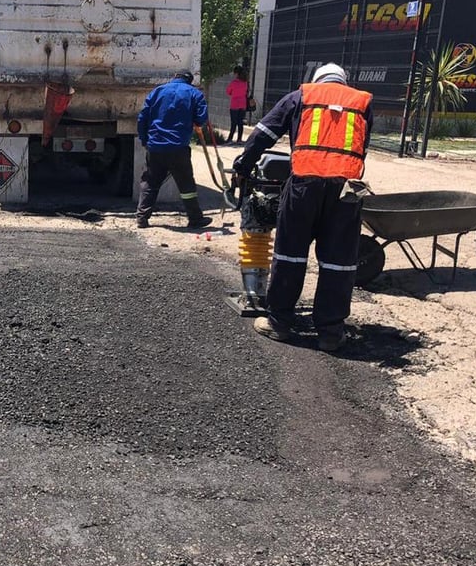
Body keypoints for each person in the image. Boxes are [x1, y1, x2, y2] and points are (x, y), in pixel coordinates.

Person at [232, 62, 373, 352]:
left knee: (290, 254)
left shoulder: (301, 96)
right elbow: (362, 147)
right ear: (344, 82)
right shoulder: (361, 102)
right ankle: (331, 332)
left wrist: (243, 167)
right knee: (338, 261)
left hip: (304, 186)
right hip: (345, 190)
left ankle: (280, 323)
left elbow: (263, 134)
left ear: (317, 79)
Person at [135, 68, 213, 230]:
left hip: (155, 146)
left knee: (151, 181)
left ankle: (142, 218)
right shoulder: (194, 94)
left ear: (174, 77)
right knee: (186, 185)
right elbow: (201, 118)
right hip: (178, 147)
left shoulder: (157, 91)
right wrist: (195, 121)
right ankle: (195, 219)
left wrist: (144, 139)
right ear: (190, 80)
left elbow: (142, 117)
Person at [225, 66, 249, 144]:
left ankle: (230, 139)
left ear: (236, 73)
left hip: (235, 104)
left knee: (234, 123)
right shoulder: (245, 82)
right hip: (243, 104)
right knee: (240, 123)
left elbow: (228, 92)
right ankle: (239, 139)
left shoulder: (234, 83)